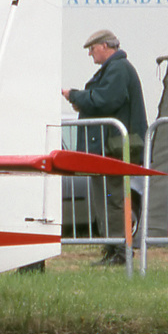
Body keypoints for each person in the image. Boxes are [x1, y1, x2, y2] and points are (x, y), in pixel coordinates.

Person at [63, 29, 147, 265]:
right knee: (109, 197)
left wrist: (75, 96)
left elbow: (106, 100)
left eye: (92, 49)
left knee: (114, 198)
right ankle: (114, 248)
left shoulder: (119, 69)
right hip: (110, 148)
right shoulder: (116, 69)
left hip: (114, 150)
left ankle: (121, 252)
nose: (90, 54)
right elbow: (106, 100)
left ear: (105, 46)